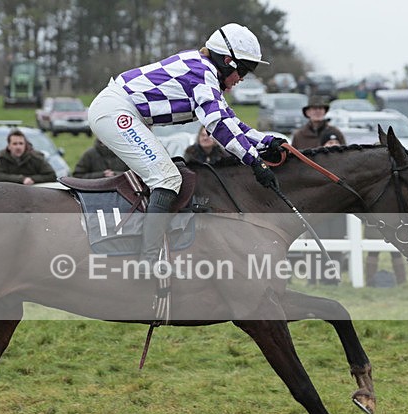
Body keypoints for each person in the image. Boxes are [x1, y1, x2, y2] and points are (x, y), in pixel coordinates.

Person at [87, 22, 282, 274]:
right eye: (243, 71)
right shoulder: (202, 73)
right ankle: (148, 261)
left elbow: (229, 120)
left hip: (124, 111)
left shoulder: (204, 71)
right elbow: (217, 125)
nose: (241, 79)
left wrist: (266, 142)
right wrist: (255, 162)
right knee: (166, 178)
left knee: (168, 174)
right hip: (115, 111)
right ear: (227, 61)